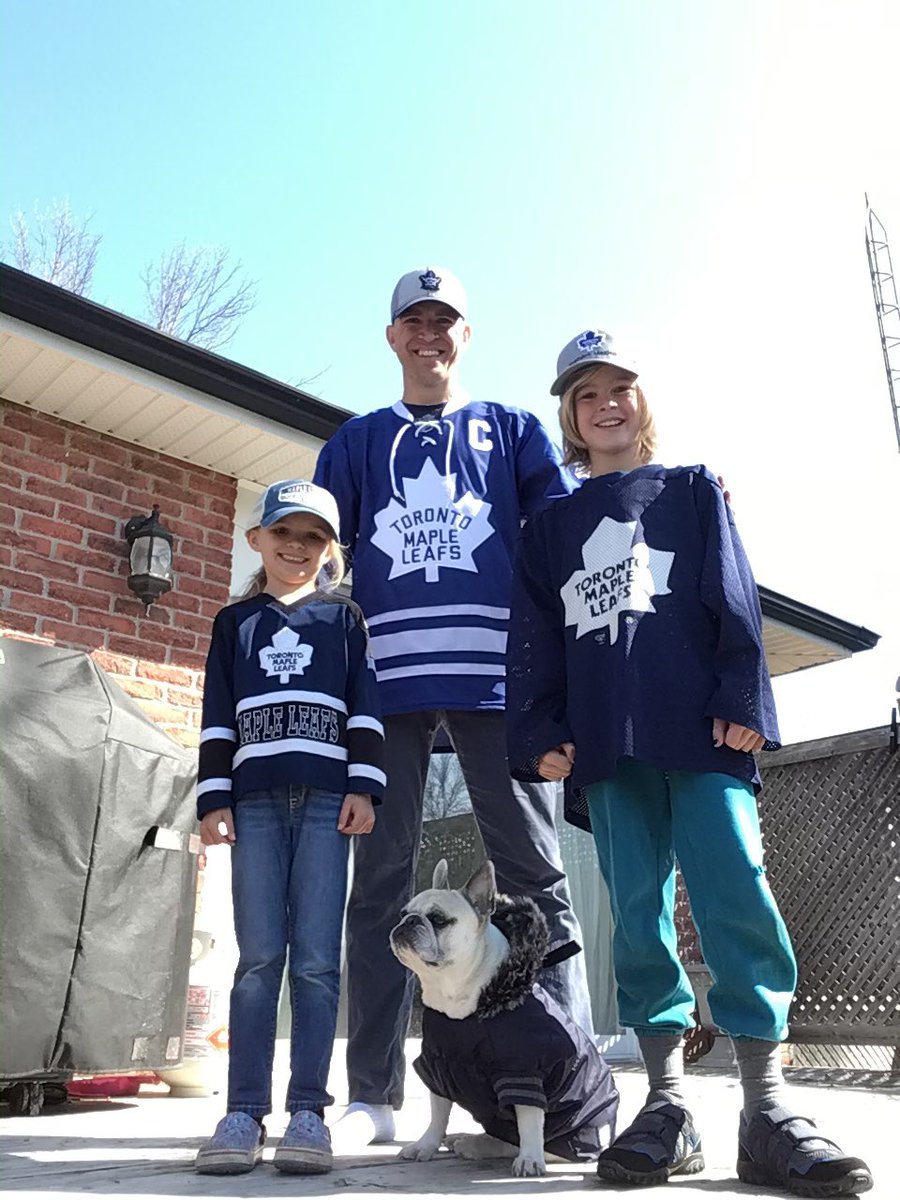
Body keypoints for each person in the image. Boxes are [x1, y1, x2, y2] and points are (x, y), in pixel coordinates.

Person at [505, 329, 874, 1195]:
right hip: (606, 741)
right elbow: (534, 639)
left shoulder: (692, 490)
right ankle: (667, 1107)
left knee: (735, 886)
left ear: (643, 401)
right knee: (637, 911)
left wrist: (742, 698)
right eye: (585, 392)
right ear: (568, 414)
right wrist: (540, 726)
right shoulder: (551, 527)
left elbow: (732, 592)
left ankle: (768, 1109)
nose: (605, 403)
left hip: (702, 734)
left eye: (620, 387)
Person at [313, 267, 594, 1146]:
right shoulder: (356, 443)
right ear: (392, 337)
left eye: (446, 322)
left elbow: (564, 532)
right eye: (414, 322)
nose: (429, 335)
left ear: (465, 335)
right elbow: (321, 556)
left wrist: (653, 505)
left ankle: (569, 1079)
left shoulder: (509, 430)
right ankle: (372, 1094)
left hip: (496, 684)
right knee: (382, 884)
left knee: (537, 876)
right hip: (388, 688)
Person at [193, 479, 384, 1177]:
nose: (297, 547)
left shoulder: (345, 621)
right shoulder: (233, 623)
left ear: (329, 549)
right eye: (284, 534)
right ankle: (242, 1112)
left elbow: (365, 711)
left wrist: (365, 785)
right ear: (257, 540)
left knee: (315, 961)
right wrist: (215, 798)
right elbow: (217, 715)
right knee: (258, 959)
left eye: (312, 537)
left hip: (331, 801)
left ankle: (309, 1110)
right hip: (255, 805)